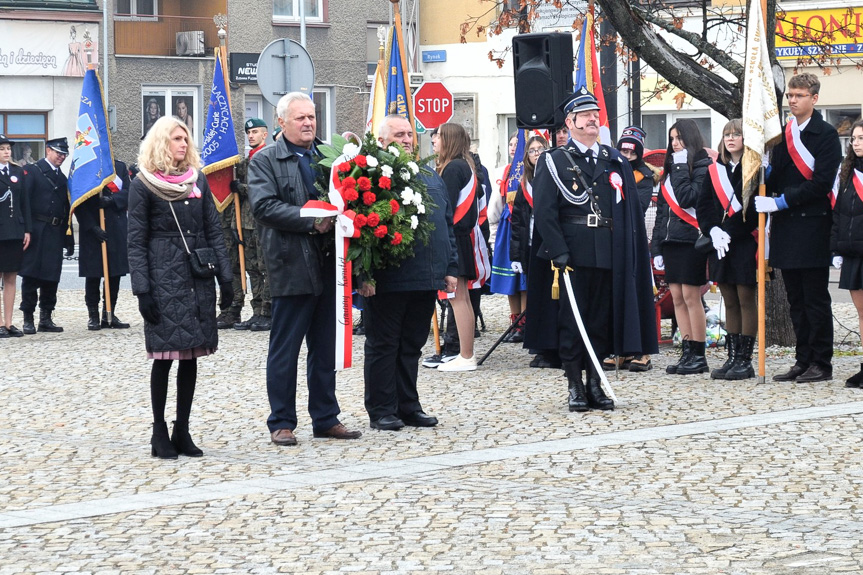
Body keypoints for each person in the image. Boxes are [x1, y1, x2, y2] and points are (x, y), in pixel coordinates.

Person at [248, 92, 362, 445]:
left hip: (330, 265)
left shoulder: (330, 156)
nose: (309, 123)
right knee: (286, 348)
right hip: (290, 264)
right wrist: (311, 220)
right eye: (300, 118)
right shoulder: (264, 160)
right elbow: (264, 206)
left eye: (312, 117)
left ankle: (326, 416)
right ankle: (281, 421)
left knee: (325, 347)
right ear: (281, 122)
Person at [533, 87, 656, 411]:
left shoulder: (612, 160)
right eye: (585, 116)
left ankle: (595, 382)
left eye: (595, 115)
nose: (592, 119)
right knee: (573, 322)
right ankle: (574, 384)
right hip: (572, 254)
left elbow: (625, 211)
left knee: (602, 321)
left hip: (607, 251)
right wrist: (558, 250)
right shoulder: (554, 161)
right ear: (570, 123)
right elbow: (544, 211)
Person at [127, 116, 233, 459]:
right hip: (163, 276)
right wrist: (142, 290)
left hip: (196, 276)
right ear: (161, 143)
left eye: (185, 138)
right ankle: (159, 431)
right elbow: (135, 241)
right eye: (176, 139)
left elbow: (213, 229)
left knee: (192, 356)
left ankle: (182, 429)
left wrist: (227, 278)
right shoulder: (143, 185)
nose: (183, 144)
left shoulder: (197, 179)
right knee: (164, 357)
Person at [358, 114, 458, 430]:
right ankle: (382, 409)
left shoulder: (430, 175)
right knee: (384, 345)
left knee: (412, 345)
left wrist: (451, 266)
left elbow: (447, 225)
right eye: (399, 134)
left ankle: (408, 405)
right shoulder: (371, 174)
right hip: (388, 278)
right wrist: (364, 275)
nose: (406, 139)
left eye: (410, 134)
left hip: (426, 276)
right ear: (383, 139)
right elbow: (359, 231)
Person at [757, 73, 842, 383]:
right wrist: (764, 172)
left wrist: (781, 202)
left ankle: (822, 362)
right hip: (787, 230)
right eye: (790, 95)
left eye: (799, 95)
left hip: (813, 227)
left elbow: (820, 184)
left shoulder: (827, 134)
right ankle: (802, 359)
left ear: (814, 99)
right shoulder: (782, 133)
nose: (792, 100)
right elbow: (777, 175)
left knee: (815, 300)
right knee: (795, 300)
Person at [697, 119, 758, 380]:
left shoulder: (754, 169)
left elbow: (753, 210)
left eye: (737, 134)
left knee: (745, 298)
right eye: (727, 135)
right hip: (719, 243)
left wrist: (729, 233)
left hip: (743, 242)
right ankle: (733, 358)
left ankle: (745, 359)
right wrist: (712, 230)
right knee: (728, 299)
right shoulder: (715, 170)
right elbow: (704, 205)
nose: (731, 139)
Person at [651, 119, 712, 375]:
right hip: (671, 240)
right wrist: (656, 248)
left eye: (679, 138)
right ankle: (686, 350)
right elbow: (662, 213)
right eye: (672, 139)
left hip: (691, 239)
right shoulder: (670, 171)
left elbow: (688, 198)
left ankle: (699, 353)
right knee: (676, 297)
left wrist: (678, 167)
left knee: (691, 295)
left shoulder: (703, 166)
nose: (675, 144)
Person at [433, 123, 488, 372]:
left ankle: (466, 355)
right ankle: (465, 354)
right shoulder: (465, 164)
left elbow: (446, 206)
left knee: (458, 298)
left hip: (455, 237)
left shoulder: (453, 168)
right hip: (463, 237)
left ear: (450, 140)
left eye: (439, 137)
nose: (435, 140)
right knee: (461, 298)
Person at [604, 125, 658, 373]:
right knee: (615, 295)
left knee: (637, 294)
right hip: (614, 241)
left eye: (631, 151)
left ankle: (643, 350)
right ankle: (621, 349)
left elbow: (639, 204)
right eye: (622, 150)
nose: (626, 155)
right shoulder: (609, 171)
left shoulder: (644, 176)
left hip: (635, 241)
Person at [18, 137, 73, 334]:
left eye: (64, 154)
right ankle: (28, 317)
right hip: (37, 228)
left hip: (55, 231)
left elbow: (67, 209)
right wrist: (26, 229)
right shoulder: (33, 171)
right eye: (59, 153)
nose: (61, 157)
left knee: (52, 276)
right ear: (48, 150)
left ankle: (46, 317)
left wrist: (69, 236)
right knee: (32, 274)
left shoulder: (63, 177)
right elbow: (24, 202)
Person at [74, 158, 132, 330]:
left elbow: (129, 192)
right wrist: (92, 227)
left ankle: (109, 313)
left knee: (114, 274)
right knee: (93, 275)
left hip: (115, 228)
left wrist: (113, 200)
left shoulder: (119, 167)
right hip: (93, 229)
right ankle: (93, 316)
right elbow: (79, 201)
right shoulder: (88, 166)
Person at [227, 118, 272, 331]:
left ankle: (268, 311)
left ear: (265, 134)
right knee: (252, 268)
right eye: (248, 132)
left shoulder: (268, 158)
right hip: (246, 221)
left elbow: (264, 189)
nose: (251, 135)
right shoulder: (245, 162)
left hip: (262, 222)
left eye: (255, 132)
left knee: (265, 268)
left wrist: (241, 187)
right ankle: (256, 311)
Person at [508, 135, 548, 345]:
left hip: (549, 245)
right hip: (531, 244)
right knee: (533, 292)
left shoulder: (553, 176)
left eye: (540, 149)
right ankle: (535, 336)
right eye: (532, 151)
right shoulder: (524, 183)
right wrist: (515, 255)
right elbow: (517, 222)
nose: (536, 154)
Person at [832, 120, 863, 387]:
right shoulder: (847, 173)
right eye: (854, 138)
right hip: (853, 252)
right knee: (861, 313)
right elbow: (839, 213)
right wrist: (836, 249)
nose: (857, 142)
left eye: (862, 138)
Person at [490, 131, 528, 342]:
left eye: (517, 144)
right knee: (509, 279)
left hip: (522, 223)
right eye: (511, 144)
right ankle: (514, 321)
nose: (514, 147)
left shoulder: (529, 171)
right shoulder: (505, 171)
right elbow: (496, 205)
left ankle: (525, 321)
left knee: (523, 280)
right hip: (507, 223)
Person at [0, 135, 30, 338]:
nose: (6, 152)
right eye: (2, 149)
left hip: (14, 231)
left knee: (11, 276)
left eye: (8, 148)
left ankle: (9, 322)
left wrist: (26, 229)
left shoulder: (18, 172)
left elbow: (24, 203)